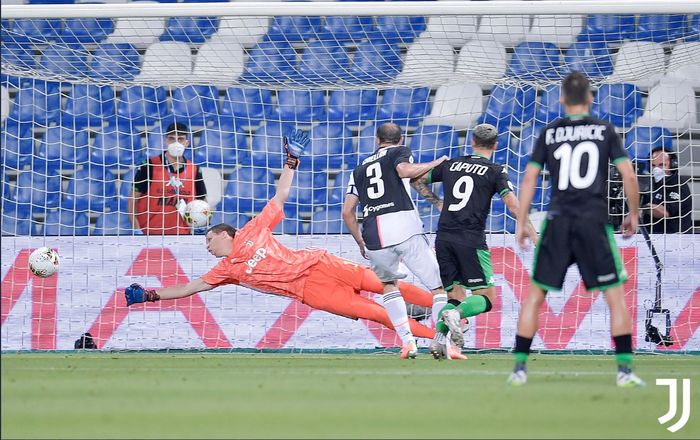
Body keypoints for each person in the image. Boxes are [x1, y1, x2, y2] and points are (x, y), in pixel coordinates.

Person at [123, 129, 437, 346]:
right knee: (380, 314)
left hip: (320, 264)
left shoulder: (253, 228)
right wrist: (152, 295)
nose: (207, 247)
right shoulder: (227, 270)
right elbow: (189, 287)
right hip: (310, 291)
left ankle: (449, 307)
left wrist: (291, 162)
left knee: (391, 286)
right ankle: (438, 335)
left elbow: (282, 194)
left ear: (223, 233)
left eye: (209, 240)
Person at [509, 71, 644, 387]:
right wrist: (633, 214)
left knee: (535, 295)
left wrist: (522, 222)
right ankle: (624, 371)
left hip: (558, 221)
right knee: (615, 297)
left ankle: (518, 370)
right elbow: (630, 176)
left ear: (561, 100)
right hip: (593, 221)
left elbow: (529, 179)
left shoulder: (550, 132)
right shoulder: (604, 130)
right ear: (590, 98)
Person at [411, 123, 538, 358]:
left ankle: (439, 340)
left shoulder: (450, 164)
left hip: (444, 237)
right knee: (486, 297)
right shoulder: (495, 170)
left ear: (472, 142)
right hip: (470, 238)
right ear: (496, 145)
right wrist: (530, 229)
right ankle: (457, 317)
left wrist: (437, 202)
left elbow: (417, 180)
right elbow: (512, 205)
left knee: (455, 296)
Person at [342, 123, 454, 359]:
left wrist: (361, 241)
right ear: (400, 139)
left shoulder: (359, 168)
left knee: (389, 286)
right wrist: (435, 163)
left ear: (377, 140)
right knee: (438, 287)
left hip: (373, 234)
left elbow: (347, 212)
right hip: (404, 226)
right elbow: (405, 171)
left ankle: (407, 344)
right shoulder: (399, 152)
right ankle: (439, 341)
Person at [128, 122, 207, 235]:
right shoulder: (148, 166)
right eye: (171, 138)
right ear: (166, 141)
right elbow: (132, 199)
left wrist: (202, 222)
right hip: (150, 235)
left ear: (186, 143)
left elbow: (202, 201)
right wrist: (136, 229)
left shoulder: (194, 169)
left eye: (180, 139)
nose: (176, 143)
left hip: (182, 236)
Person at [643, 147, 693, 234]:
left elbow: (664, 213)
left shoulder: (678, 185)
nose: (656, 170)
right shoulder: (651, 183)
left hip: (677, 239)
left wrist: (641, 205)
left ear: (672, 165)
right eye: (653, 165)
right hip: (653, 236)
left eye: (662, 165)